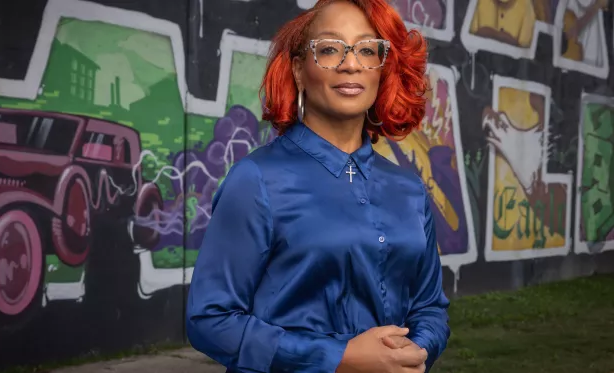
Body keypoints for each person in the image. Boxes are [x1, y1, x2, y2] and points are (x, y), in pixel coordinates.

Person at [186, 0, 450, 372]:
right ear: (298, 69)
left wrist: (416, 351)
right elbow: (210, 320)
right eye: (329, 49)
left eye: (366, 49)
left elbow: (429, 308)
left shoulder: (408, 190)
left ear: (382, 68)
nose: (351, 63)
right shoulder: (256, 180)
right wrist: (341, 359)